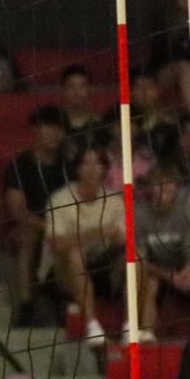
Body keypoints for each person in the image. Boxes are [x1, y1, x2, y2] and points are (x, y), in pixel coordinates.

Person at [45, 146, 125, 349]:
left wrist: (90, 236)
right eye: (86, 163)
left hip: (104, 267)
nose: (92, 169)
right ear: (78, 168)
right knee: (74, 254)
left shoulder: (114, 201)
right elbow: (57, 242)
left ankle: (133, 326)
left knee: (136, 256)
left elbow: (122, 237)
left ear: (104, 169)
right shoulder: (60, 199)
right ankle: (92, 326)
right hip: (64, 270)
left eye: (97, 163)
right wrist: (99, 232)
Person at [1, 105, 72, 314]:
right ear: (35, 131)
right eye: (48, 128)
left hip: (65, 224)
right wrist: (47, 226)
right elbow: (17, 211)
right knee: (26, 236)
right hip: (32, 225)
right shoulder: (20, 166)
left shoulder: (68, 166)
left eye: (58, 129)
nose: (54, 134)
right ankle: (26, 304)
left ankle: (68, 300)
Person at [137, 167, 190, 338]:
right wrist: (168, 275)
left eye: (169, 182)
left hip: (181, 269)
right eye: (158, 183)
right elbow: (139, 258)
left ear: (177, 186)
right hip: (155, 270)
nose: (164, 187)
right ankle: (147, 335)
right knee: (151, 283)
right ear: (150, 187)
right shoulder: (140, 214)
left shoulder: (185, 209)